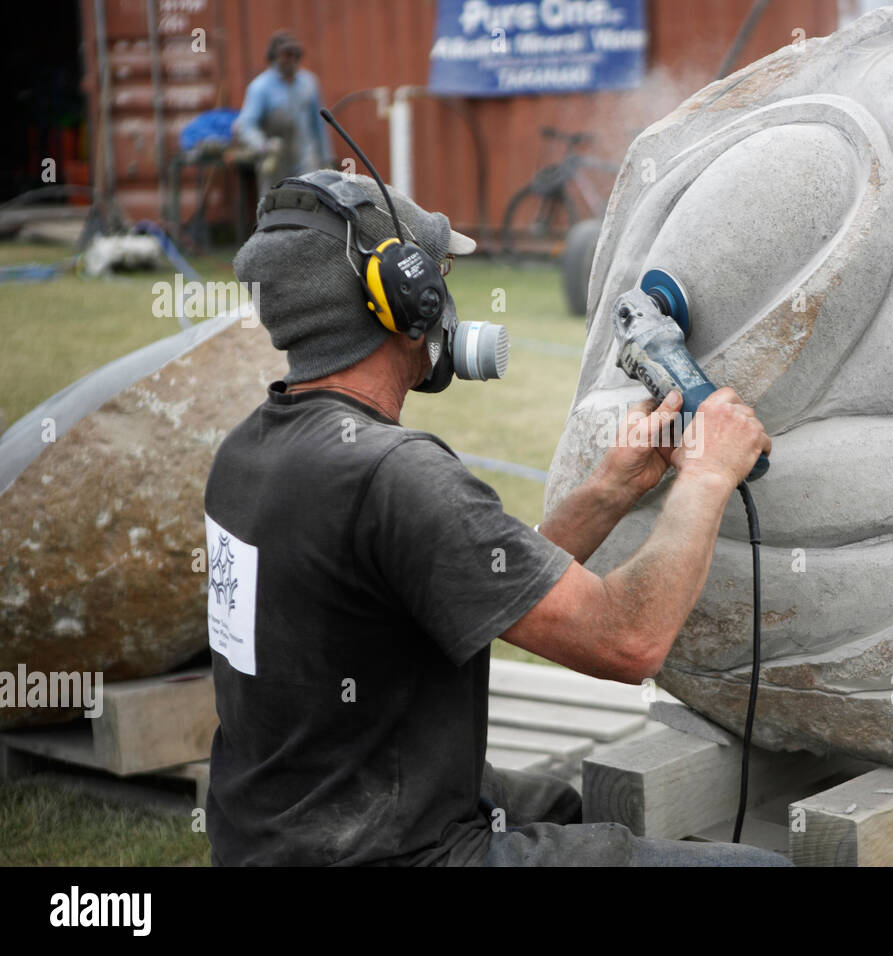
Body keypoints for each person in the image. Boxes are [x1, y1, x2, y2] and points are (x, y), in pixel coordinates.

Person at [204, 172, 784, 867]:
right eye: (440, 272)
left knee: (568, 808)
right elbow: (629, 640)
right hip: (396, 851)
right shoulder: (395, 475)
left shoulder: (248, 453)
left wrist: (611, 488)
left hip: (281, 833)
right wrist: (711, 473)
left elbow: (470, 580)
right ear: (404, 297)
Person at [233, 31, 333, 194]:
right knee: (274, 205)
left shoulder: (309, 83)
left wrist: (326, 158)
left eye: (296, 54)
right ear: (274, 56)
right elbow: (246, 126)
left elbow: (318, 124)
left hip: (305, 159)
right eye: (287, 54)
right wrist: (264, 146)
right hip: (274, 160)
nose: (292, 59)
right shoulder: (261, 87)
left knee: (309, 204)